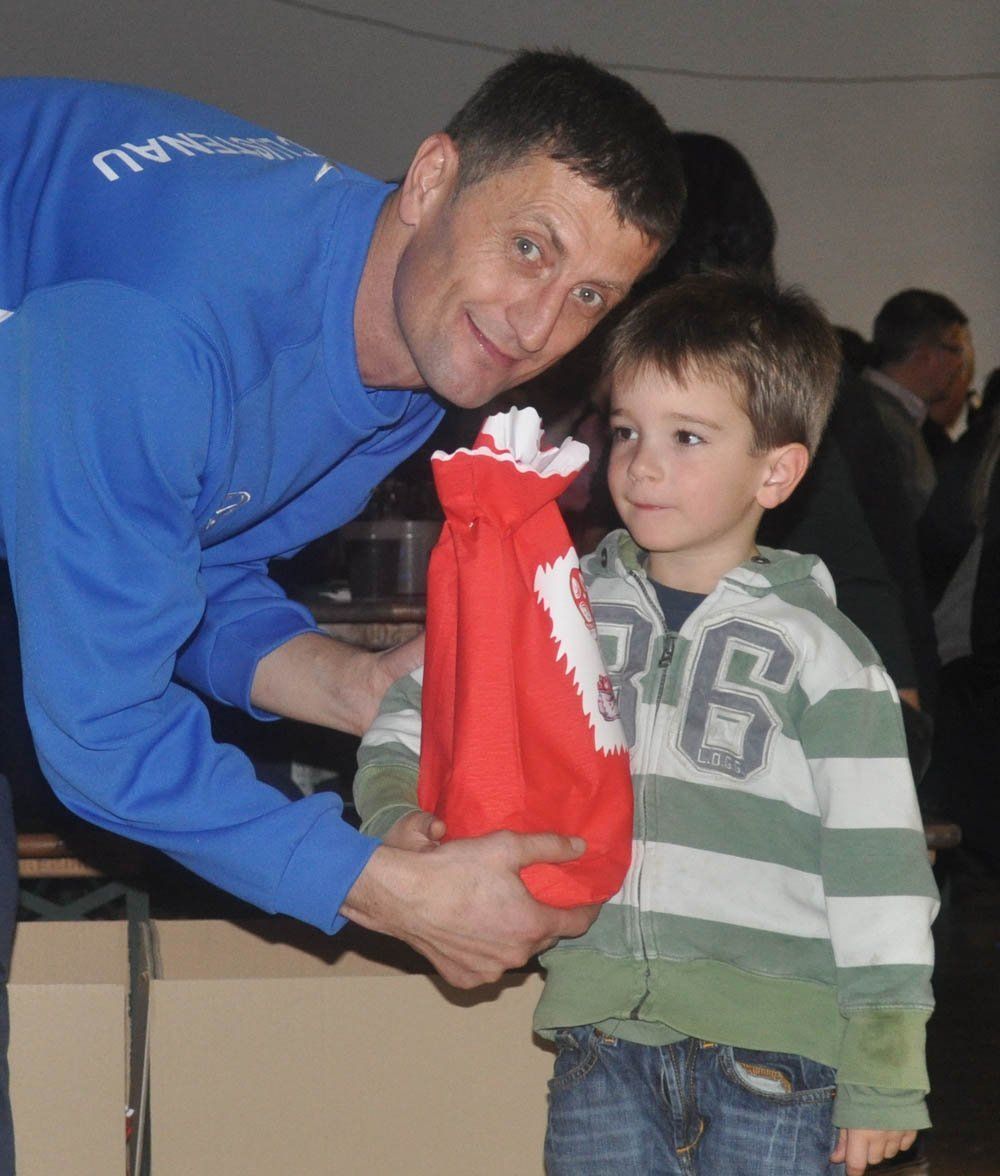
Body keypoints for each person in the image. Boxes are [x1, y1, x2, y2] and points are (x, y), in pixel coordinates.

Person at [0, 50, 684, 1162]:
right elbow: (101, 733)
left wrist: (354, 687)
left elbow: (188, 563)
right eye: (530, 247)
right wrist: (387, 889)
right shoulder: (166, 325)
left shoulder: (407, 348)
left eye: (589, 297)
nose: (534, 326)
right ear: (432, 179)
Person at [355, 274, 938, 1176]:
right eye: (626, 430)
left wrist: (885, 1070)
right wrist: (395, 809)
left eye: (687, 437)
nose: (642, 465)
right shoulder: (558, 603)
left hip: (778, 1059)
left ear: (776, 471)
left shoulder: (828, 656)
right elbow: (426, 706)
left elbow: (883, 875)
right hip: (600, 1042)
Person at [862, 289, 972, 520]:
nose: (960, 364)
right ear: (924, 354)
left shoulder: (875, 408)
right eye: (955, 349)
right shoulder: (881, 420)